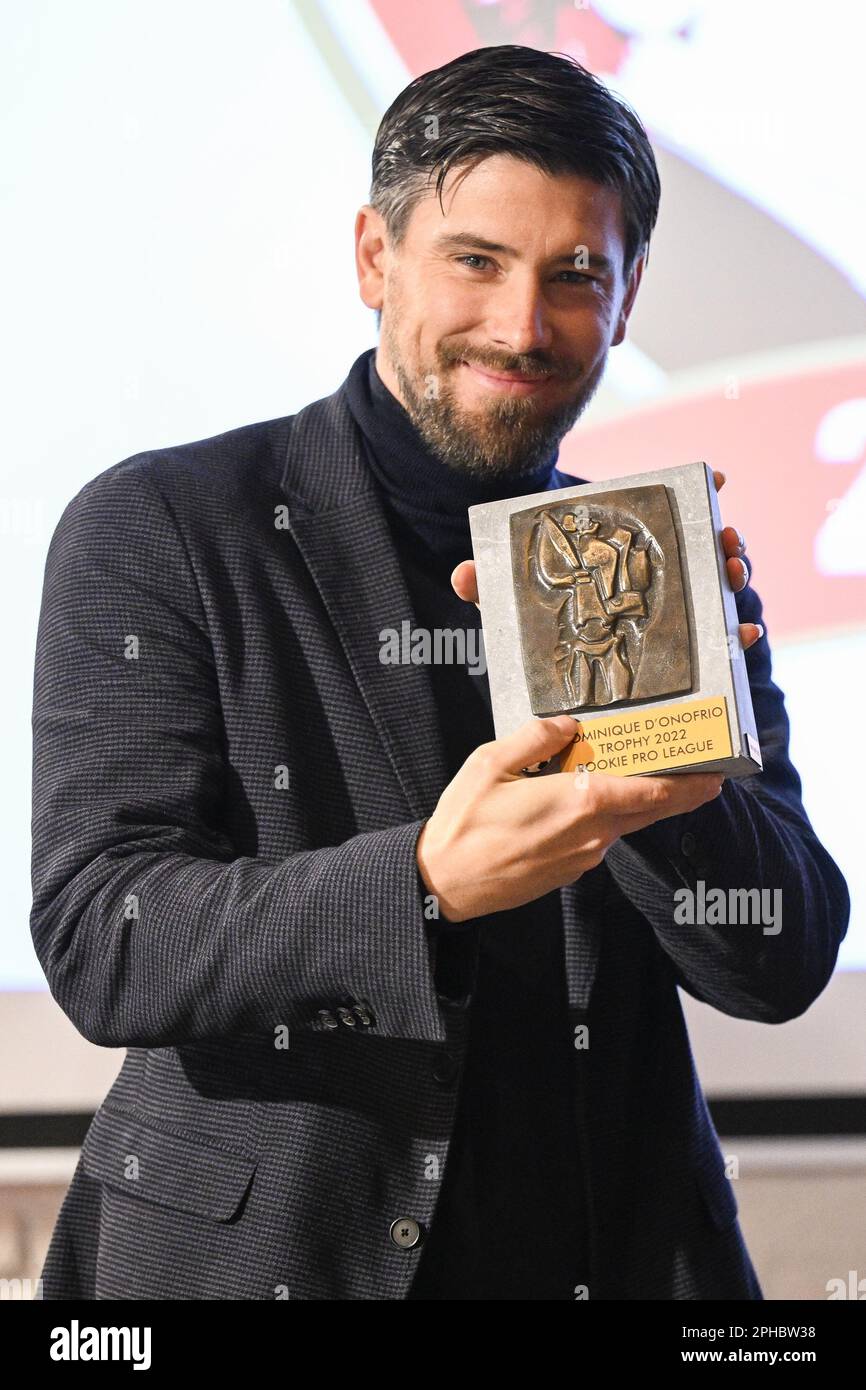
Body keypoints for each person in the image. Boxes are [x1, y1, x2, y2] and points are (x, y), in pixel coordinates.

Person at [31, 45, 849, 1301]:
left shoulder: (651, 561)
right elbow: (106, 938)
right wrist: (420, 883)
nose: (521, 326)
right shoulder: (166, 522)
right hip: (256, 1262)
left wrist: (674, 778)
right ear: (374, 257)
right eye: (475, 260)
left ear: (625, 301)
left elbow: (780, 958)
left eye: (574, 273)